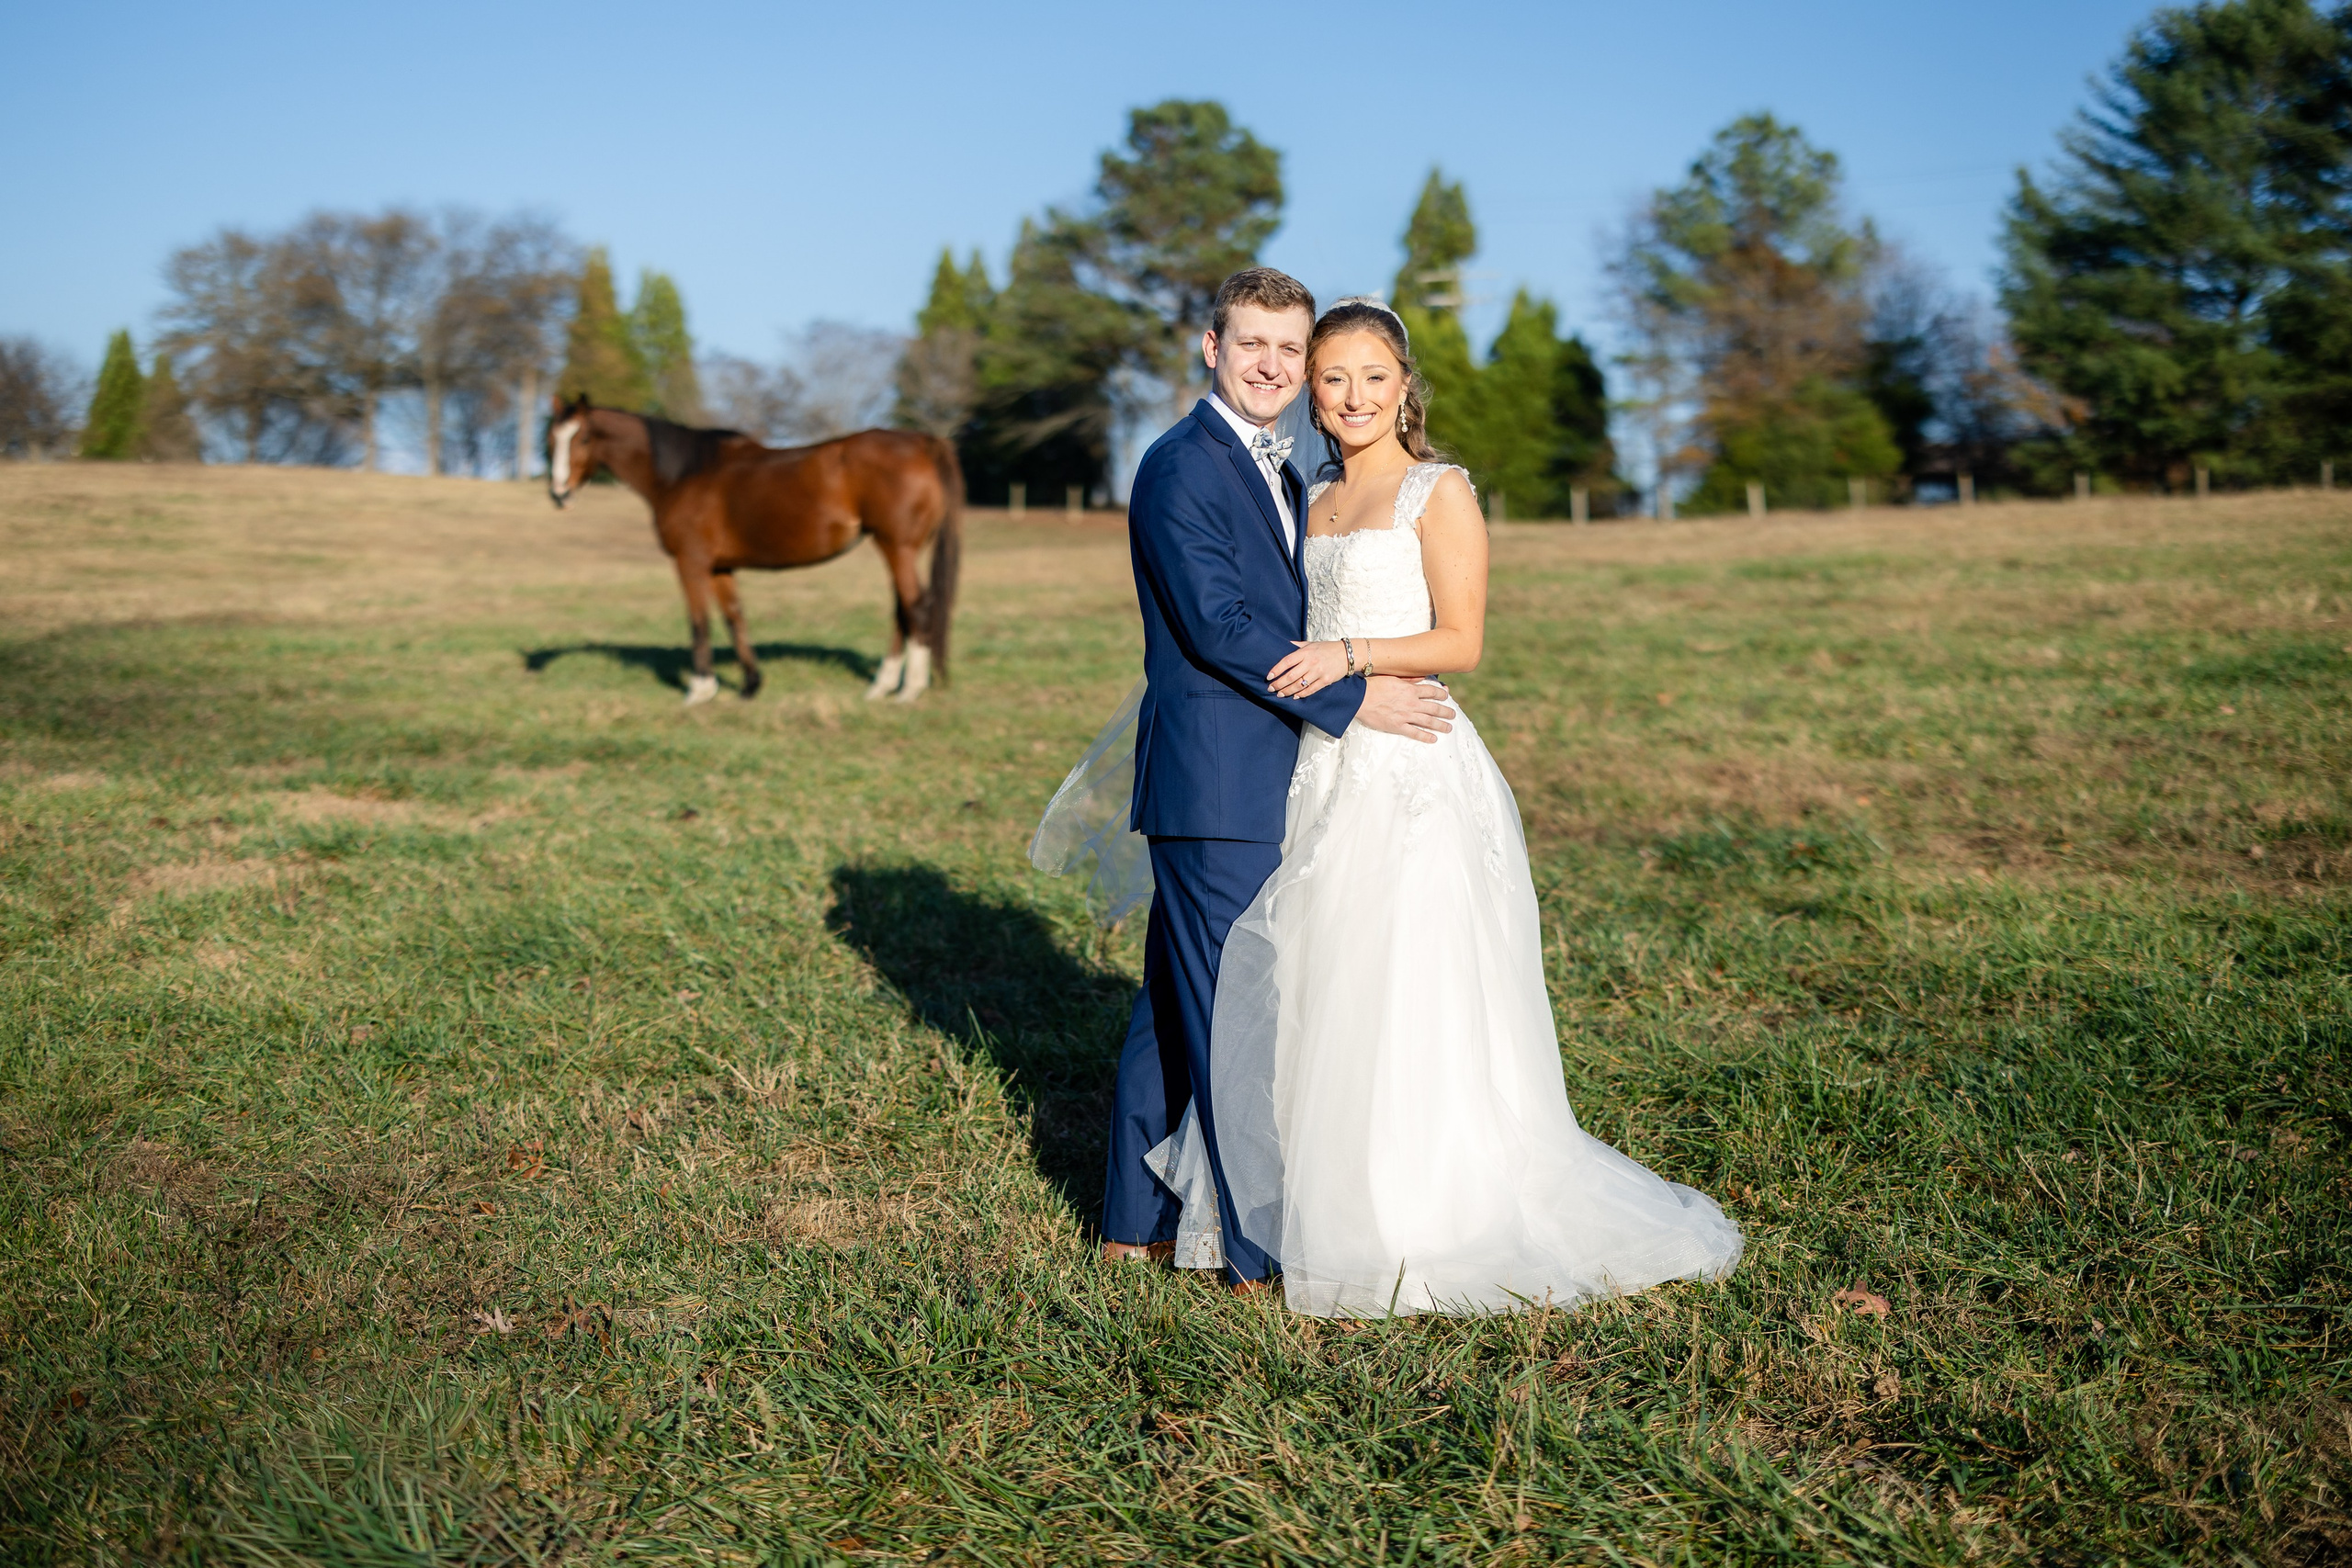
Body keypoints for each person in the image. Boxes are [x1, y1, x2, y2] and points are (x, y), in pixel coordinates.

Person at [1112, 291, 1744, 1316]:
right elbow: (1237, 623)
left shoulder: (1437, 490)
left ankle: (1412, 1207)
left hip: (1407, 762)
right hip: (1316, 764)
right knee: (1307, 986)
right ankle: (1256, 1207)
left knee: (1408, 984)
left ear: (1407, 386)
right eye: (1331, 375)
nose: (1349, 394)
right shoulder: (1304, 490)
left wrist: (1351, 661)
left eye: (1371, 375)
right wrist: (1348, 688)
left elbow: (1463, 641)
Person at [1097, 269, 1457, 1294]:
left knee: (1178, 998)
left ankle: (1136, 1218)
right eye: (1250, 344)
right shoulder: (1182, 466)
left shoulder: (1287, 468)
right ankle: (1256, 1250)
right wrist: (1356, 697)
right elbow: (1220, 626)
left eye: (1288, 350)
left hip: (1263, 768)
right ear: (1210, 348)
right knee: (1237, 1008)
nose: (1271, 365)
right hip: (1219, 778)